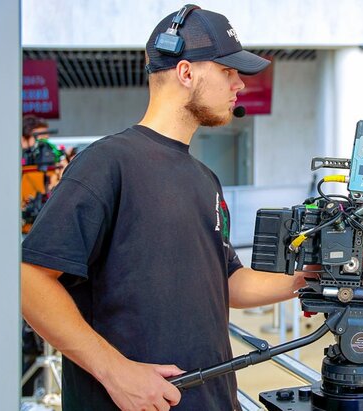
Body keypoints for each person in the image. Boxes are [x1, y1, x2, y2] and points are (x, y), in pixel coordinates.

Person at [21, 6, 312, 410]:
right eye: (228, 71)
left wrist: (307, 279)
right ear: (186, 73)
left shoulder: (204, 178)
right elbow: (29, 279)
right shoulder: (107, 163)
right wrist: (116, 371)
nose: (240, 84)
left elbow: (228, 281)